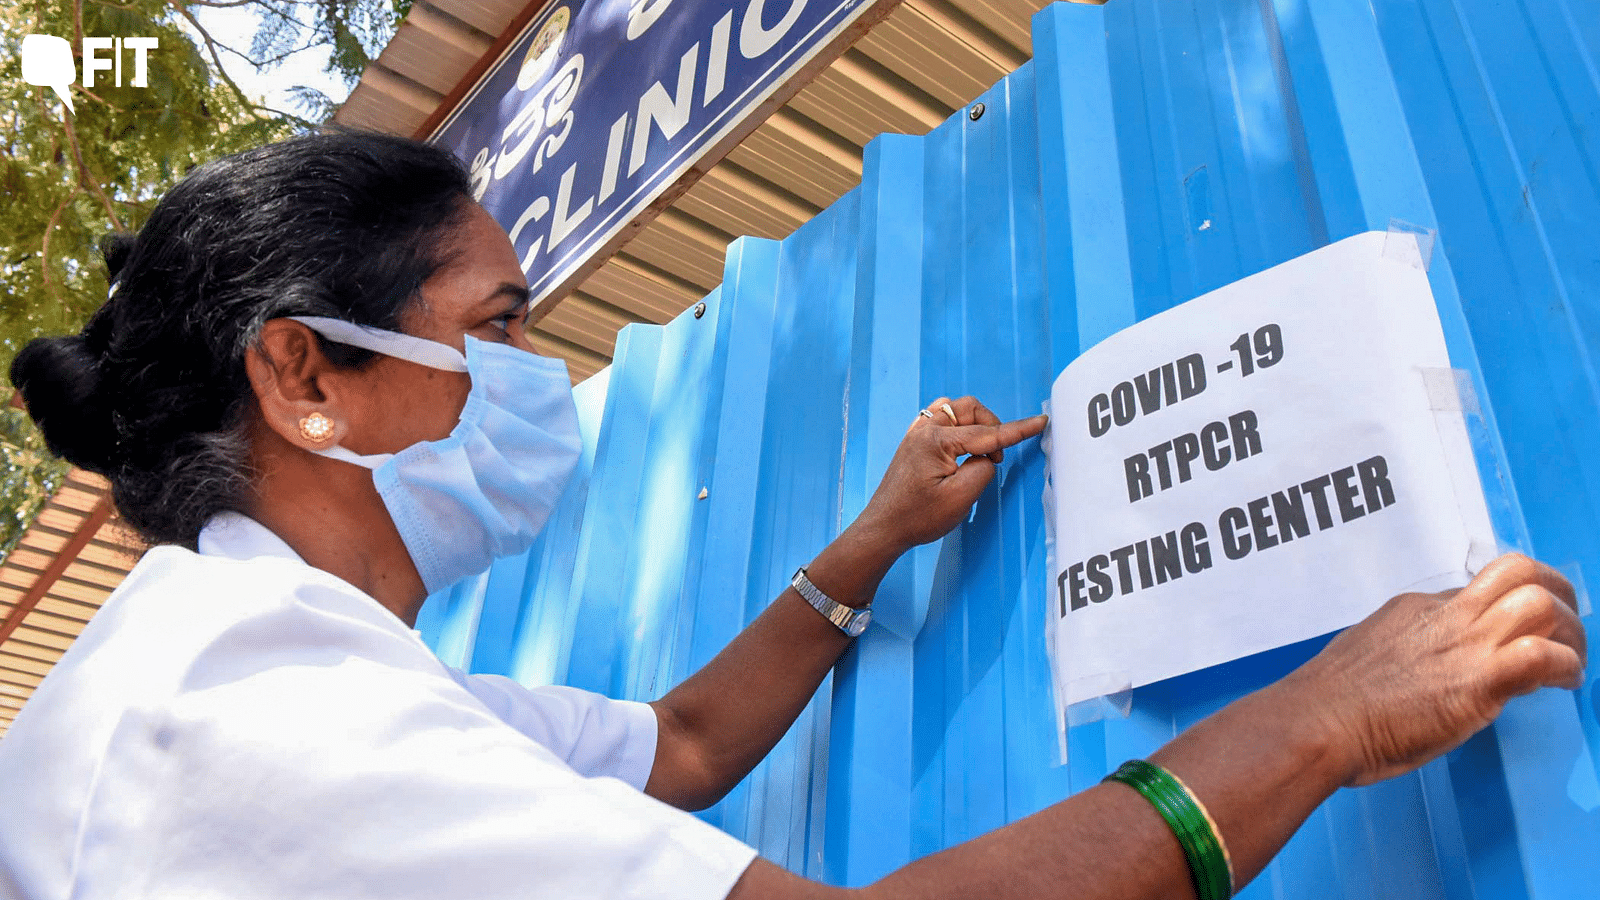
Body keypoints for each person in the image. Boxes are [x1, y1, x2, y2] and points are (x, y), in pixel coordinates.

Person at [0, 130, 1584, 900]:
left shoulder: (280, 661)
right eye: (498, 326)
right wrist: (1324, 718)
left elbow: (677, 747)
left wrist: (873, 540)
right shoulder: (246, 715)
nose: (547, 376)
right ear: (306, 379)